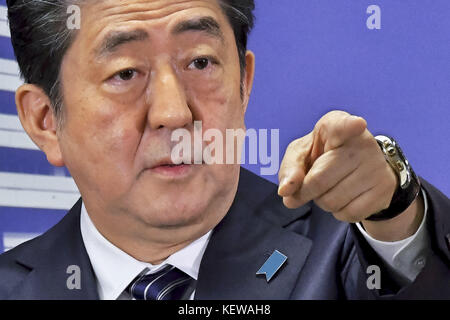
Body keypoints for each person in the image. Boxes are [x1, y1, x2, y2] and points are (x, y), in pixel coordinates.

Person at [0, 0, 448, 300]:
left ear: (244, 83)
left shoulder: (346, 248)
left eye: (200, 62)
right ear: (45, 121)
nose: (174, 114)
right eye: (125, 73)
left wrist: (396, 207)